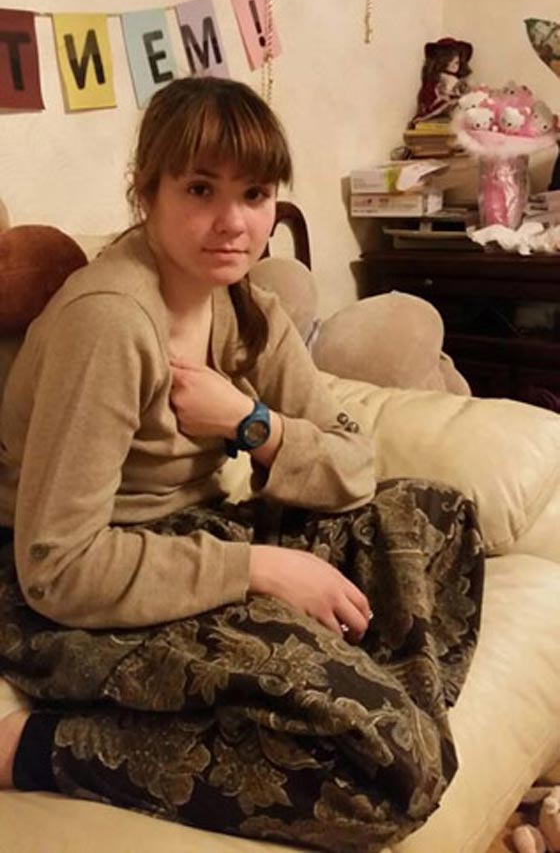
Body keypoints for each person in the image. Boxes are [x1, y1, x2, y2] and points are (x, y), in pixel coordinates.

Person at [0, 77, 484, 853]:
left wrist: (250, 423)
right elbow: (57, 566)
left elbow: (354, 462)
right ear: (147, 191)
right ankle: (39, 747)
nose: (234, 222)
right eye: (200, 189)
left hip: (201, 533)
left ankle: (368, 705)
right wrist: (261, 569)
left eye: (254, 194)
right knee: (396, 772)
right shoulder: (109, 323)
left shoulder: (242, 300)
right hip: (76, 597)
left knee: (441, 512)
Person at [410, 36, 473, 125]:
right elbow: (431, 101)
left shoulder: (454, 79)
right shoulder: (437, 80)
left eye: (457, 63)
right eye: (450, 61)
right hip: (438, 115)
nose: (455, 65)